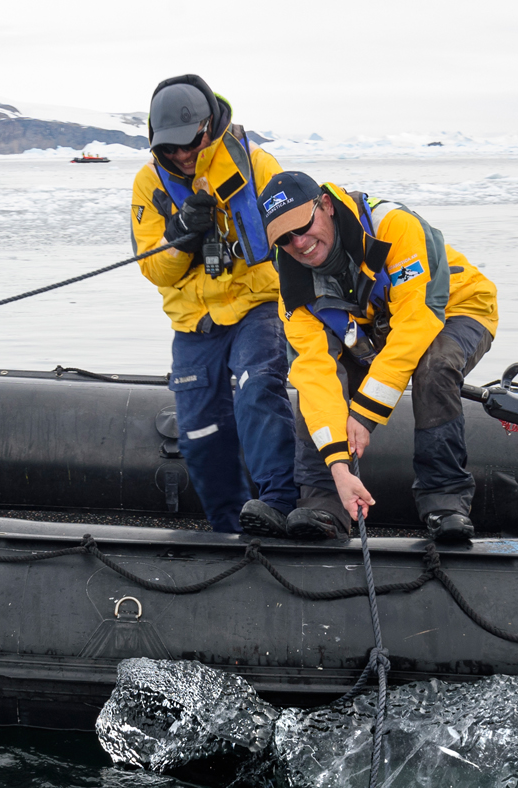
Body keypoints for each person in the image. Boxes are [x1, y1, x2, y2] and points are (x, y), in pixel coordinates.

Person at [259, 172, 499, 544]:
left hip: (455, 308)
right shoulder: (292, 287)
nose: (299, 243)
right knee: (319, 388)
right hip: (375, 329)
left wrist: (365, 413)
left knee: (434, 365)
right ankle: (324, 504)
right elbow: (314, 373)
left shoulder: (394, 227)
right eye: (284, 239)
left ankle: (445, 501)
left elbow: (417, 324)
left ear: (325, 206)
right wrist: (339, 465)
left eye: (302, 227)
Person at [129, 75, 297, 536]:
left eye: (191, 142)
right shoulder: (149, 185)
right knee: (200, 435)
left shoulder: (256, 164)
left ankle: (278, 504)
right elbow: (154, 269)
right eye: (170, 148)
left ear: (209, 126)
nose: (182, 154)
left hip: (256, 306)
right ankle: (230, 529)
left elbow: (289, 240)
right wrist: (182, 232)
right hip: (194, 322)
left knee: (257, 387)